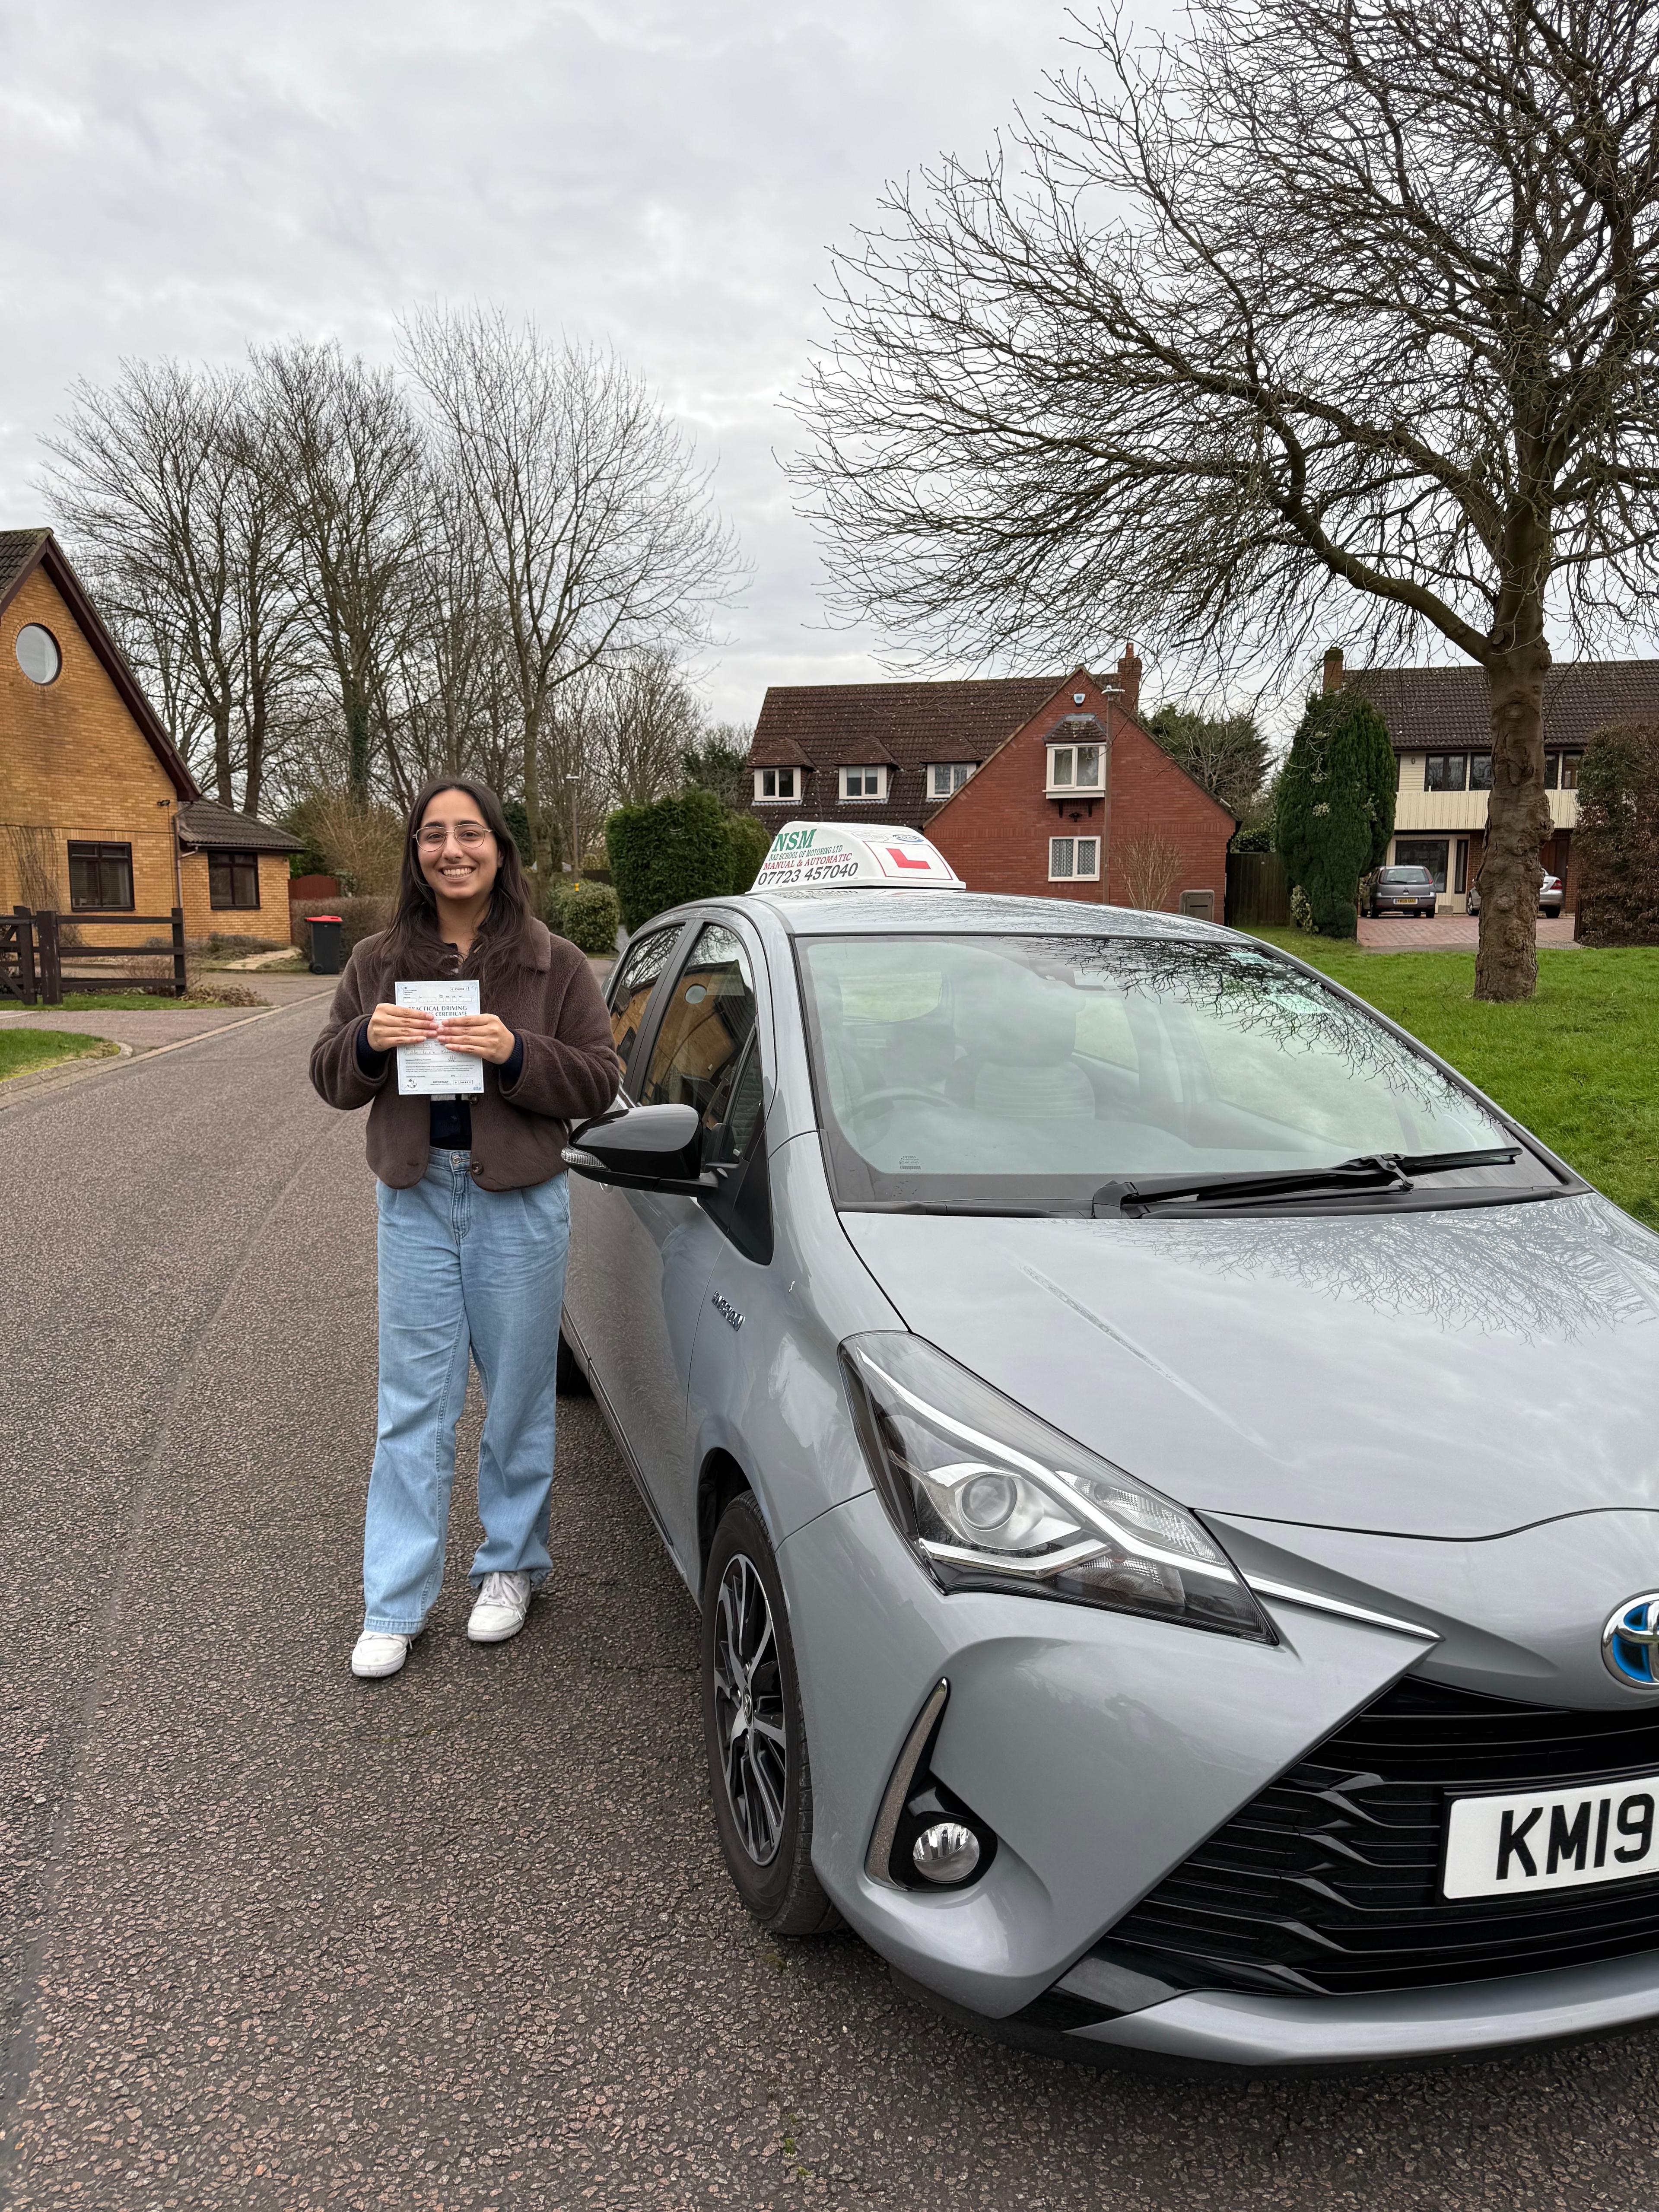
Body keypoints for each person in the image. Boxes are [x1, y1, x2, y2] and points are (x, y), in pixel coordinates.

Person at [311, 778, 620, 1680]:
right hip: (415, 1198)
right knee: (413, 1403)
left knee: (518, 1394)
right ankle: (395, 1602)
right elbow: (329, 1075)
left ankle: (512, 1565)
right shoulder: (375, 960)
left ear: (499, 848)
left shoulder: (556, 962)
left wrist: (517, 1054)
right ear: (416, 853)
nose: (453, 850)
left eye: (471, 833)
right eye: (434, 835)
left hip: (519, 1202)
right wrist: (366, 1041)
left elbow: (600, 1078)